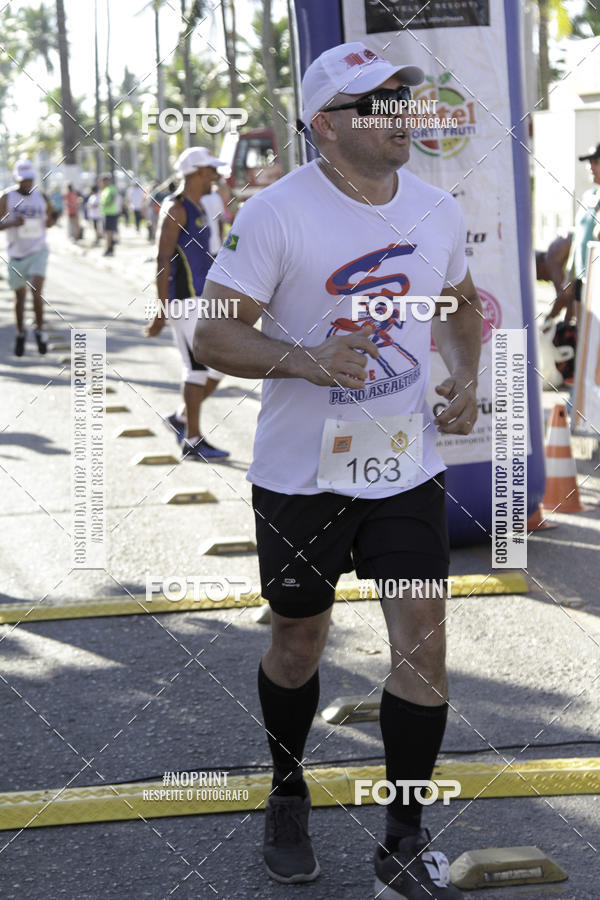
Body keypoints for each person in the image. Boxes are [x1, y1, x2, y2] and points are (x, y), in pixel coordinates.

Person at [194, 42, 482, 898]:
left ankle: (403, 835)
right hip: (300, 473)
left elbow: (461, 306)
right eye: (378, 103)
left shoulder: (434, 209)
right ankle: (288, 792)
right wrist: (307, 358)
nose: (401, 114)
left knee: (424, 650)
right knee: (297, 638)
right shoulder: (276, 213)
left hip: (402, 464)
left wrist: (464, 375)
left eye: (405, 98)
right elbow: (213, 334)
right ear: (326, 127)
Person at [145, 147, 230, 461]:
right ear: (196, 172)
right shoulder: (176, 207)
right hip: (184, 300)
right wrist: (161, 309)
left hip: (202, 299)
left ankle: (182, 418)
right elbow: (162, 258)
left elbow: (210, 253)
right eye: (210, 171)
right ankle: (192, 440)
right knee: (196, 368)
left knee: (218, 366)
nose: (215, 176)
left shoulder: (199, 206)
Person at [0, 159, 58, 356]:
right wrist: (14, 223)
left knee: (36, 289)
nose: (26, 183)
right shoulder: (7, 197)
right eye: (23, 180)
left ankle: (40, 331)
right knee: (20, 296)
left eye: (29, 180)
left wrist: (49, 221)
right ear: (17, 179)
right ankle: (20, 332)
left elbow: (50, 221)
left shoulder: (41, 197)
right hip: (16, 253)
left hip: (38, 250)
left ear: (33, 179)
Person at [571, 142, 600, 306]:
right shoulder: (588, 195)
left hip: (597, 277)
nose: (591, 167)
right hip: (581, 275)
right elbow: (578, 235)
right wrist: (570, 274)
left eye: (596, 162)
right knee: (582, 329)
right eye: (590, 162)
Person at [100, 173, 118, 256]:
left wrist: (108, 204)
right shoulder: (105, 189)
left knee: (109, 232)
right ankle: (108, 247)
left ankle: (109, 248)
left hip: (111, 213)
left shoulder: (111, 188)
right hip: (106, 213)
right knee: (107, 232)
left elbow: (113, 198)